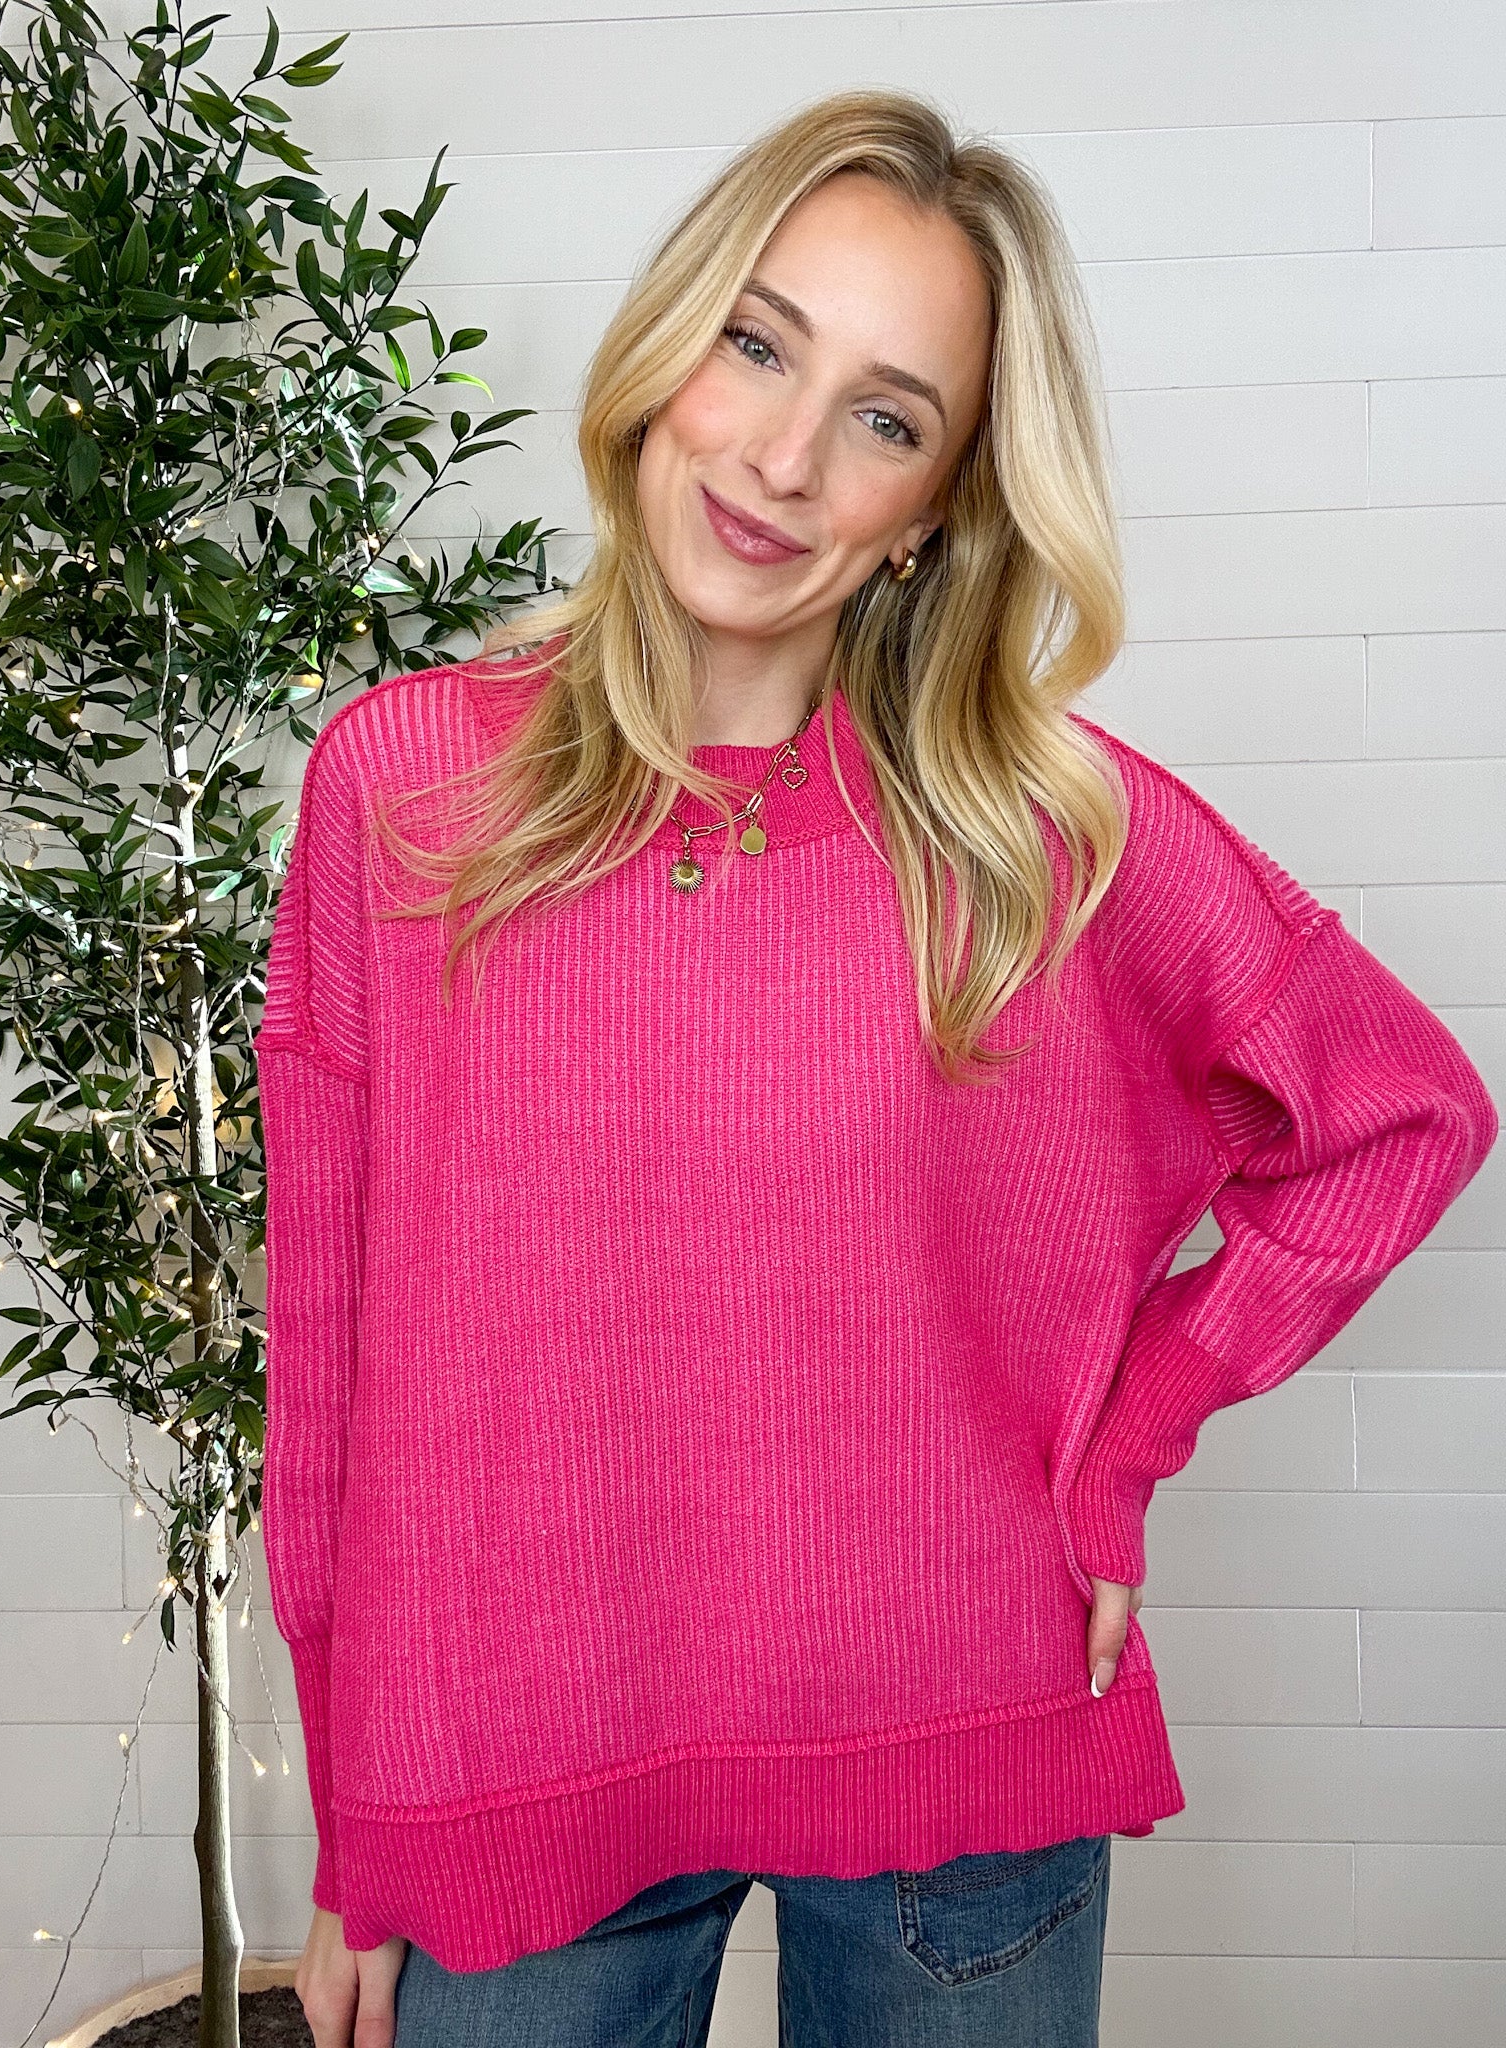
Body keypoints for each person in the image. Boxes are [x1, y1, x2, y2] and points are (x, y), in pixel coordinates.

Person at [254, 88, 1498, 2048]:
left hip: (959, 1733)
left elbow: (1399, 1114)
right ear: (671, 345)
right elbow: (330, 1361)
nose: (784, 458)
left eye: (888, 418)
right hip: (512, 1762)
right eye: (759, 345)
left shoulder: (1038, 829)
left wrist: (1127, 1442)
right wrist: (356, 1823)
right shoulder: (401, 787)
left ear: (935, 507)